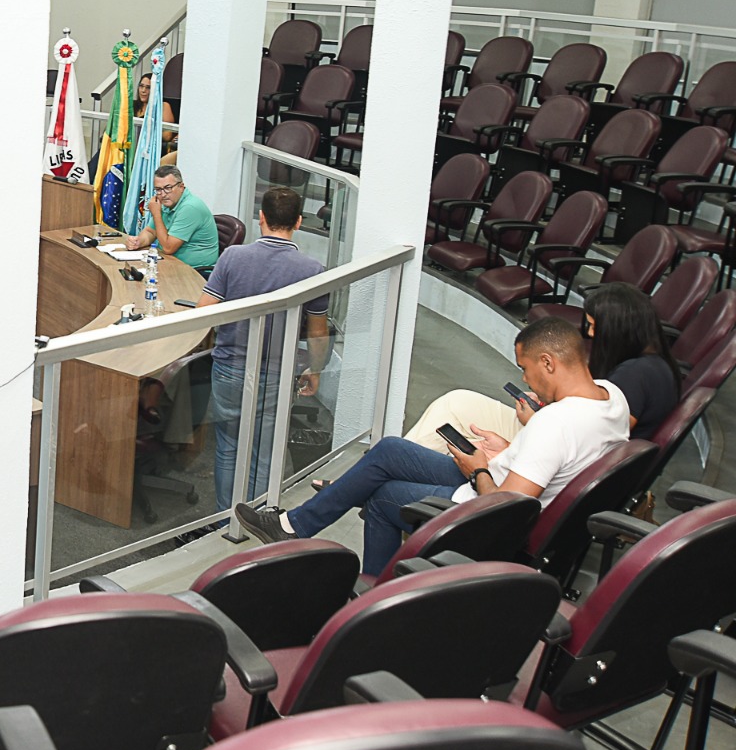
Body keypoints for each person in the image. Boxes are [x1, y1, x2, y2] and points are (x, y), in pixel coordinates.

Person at [235, 317, 630, 576]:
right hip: (502, 475)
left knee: (382, 498)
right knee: (389, 450)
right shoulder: (612, 397)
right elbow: (562, 459)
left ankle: (375, 592)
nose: (526, 379)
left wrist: (478, 468)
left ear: (548, 362)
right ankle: (293, 526)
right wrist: (510, 447)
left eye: (525, 369)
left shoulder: (555, 422)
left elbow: (506, 509)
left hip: (483, 506)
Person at [403, 283, 680, 455]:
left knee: (453, 413)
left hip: (555, 447)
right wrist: (552, 401)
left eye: (595, 326)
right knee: (456, 404)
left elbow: (597, 440)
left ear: (619, 329)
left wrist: (537, 420)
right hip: (557, 432)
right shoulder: (653, 366)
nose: (591, 334)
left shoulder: (633, 377)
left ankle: (398, 467)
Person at [194, 185, 329, 513]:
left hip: (230, 366)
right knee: (264, 451)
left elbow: (203, 312)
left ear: (261, 218)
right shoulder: (312, 271)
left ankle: (226, 519)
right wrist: (315, 370)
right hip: (277, 373)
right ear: (299, 221)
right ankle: (256, 516)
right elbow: (317, 332)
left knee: (228, 448)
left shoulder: (233, 256)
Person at [123, 165, 219, 273]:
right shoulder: (168, 202)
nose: (163, 194)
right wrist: (138, 242)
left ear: (181, 187)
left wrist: (156, 214)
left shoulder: (190, 207)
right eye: (158, 189)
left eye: (168, 188)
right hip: (171, 264)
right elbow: (151, 231)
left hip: (195, 272)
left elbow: (168, 248)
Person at [134, 73, 177, 151]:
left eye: (148, 87)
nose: (143, 90)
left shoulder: (163, 106)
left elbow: (167, 136)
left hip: (152, 148)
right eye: (141, 86)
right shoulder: (132, 105)